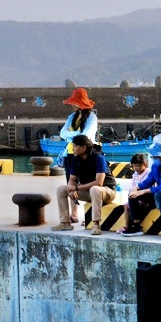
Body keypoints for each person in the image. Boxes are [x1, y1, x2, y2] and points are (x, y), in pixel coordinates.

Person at [52, 134, 115, 235]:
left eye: (75, 146)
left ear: (83, 147)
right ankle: (65, 223)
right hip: (89, 192)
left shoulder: (98, 158)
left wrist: (76, 187)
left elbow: (99, 183)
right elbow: (72, 180)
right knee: (61, 189)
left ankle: (96, 225)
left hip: (107, 191)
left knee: (95, 189)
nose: (73, 148)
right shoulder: (76, 159)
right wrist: (71, 189)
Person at [57, 87, 99, 222]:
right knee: (70, 182)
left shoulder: (92, 117)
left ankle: (90, 215)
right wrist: (76, 136)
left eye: (75, 103)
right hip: (71, 154)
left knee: (89, 183)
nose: (73, 105)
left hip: (86, 154)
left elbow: (86, 134)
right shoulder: (72, 117)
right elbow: (63, 133)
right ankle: (74, 214)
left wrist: (72, 136)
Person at [115, 153, 150, 234]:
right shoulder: (135, 175)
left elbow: (147, 186)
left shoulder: (148, 173)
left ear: (144, 164)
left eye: (137, 166)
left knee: (133, 199)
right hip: (138, 195)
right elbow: (133, 187)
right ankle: (126, 226)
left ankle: (136, 226)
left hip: (146, 195)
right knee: (126, 205)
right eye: (133, 166)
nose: (135, 168)